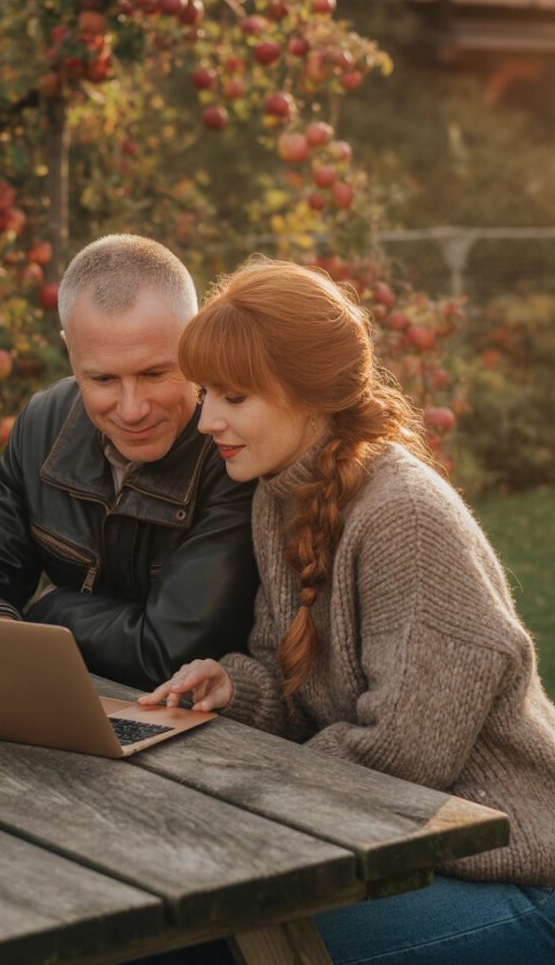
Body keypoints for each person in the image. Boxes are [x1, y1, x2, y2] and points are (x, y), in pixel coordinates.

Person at [138, 256, 555, 964]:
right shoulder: (282, 493)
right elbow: (298, 680)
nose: (206, 420)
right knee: (162, 917)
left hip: (507, 871)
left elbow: (403, 753)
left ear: (309, 396)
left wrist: (256, 783)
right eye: (206, 392)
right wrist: (239, 688)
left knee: (201, 941)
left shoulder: (404, 518)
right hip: (394, 841)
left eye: (233, 398)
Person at [0, 234, 259, 691]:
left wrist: (50, 612)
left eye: (154, 373)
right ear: (69, 352)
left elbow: (169, 653)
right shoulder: (44, 422)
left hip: (206, 740)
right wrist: (1, 628)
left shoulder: (235, 448)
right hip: (68, 707)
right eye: (102, 378)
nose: (132, 408)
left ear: (194, 336)